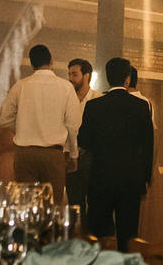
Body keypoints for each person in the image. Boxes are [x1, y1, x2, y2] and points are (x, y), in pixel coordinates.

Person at [78, 57, 153, 252]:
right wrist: (146, 178)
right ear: (127, 79)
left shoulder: (94, 106)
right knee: (127, 234)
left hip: (101, 176)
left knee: (98, 233)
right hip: (130, 178)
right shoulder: (141, 106)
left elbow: (83, 141)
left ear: (107, 78)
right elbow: (147, 145)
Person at [0, 44, 81, 202]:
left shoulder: (20, 86)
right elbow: (73, 125)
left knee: (27, 206)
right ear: (51, 62)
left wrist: (21, 129)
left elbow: (4, 119)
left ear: (32, 64)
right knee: (52, 207)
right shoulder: (66, 87)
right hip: (53, 155)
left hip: (25, 155)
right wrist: (74, 154)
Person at [67, 58, 101, 219]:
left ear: (86, 76)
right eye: (69, 74)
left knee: (94, 201)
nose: (70, 78)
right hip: (69, 156)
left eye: (74, 74)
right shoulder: (66, 99)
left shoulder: (98, 99)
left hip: (91, 157)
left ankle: (90, 239)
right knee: (73, 203)